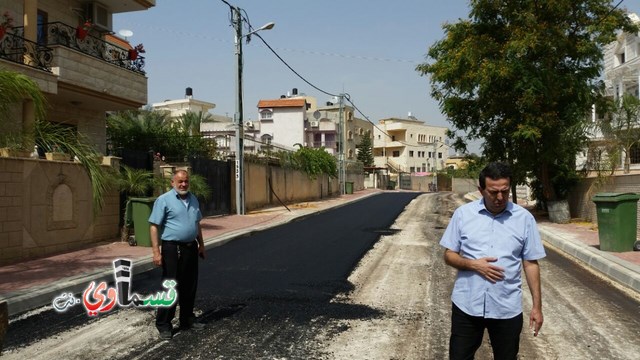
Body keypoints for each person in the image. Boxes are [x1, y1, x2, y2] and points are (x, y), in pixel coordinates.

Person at [439, 162, 545, 359]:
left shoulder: (524, 219)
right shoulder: (463, 215)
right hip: (467, 305)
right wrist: (472, 264)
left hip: (506, 307)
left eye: (505, 191)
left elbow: (530, 263)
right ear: (481, 190)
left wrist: (537, 307)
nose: (499, 197)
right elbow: (448, 254)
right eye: (493, 192)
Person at [149, 169, 206, 340]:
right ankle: (164, 324)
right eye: (180, 181)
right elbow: (154, 226)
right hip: (172, 248)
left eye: (186, 181)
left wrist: (201, 245)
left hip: (190, 247)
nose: (183, 184)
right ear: (172, 183)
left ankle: (187, 319)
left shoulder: (193, 199)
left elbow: (196, 224)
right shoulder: (164, 200)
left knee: (189, 285)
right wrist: (156, 252)